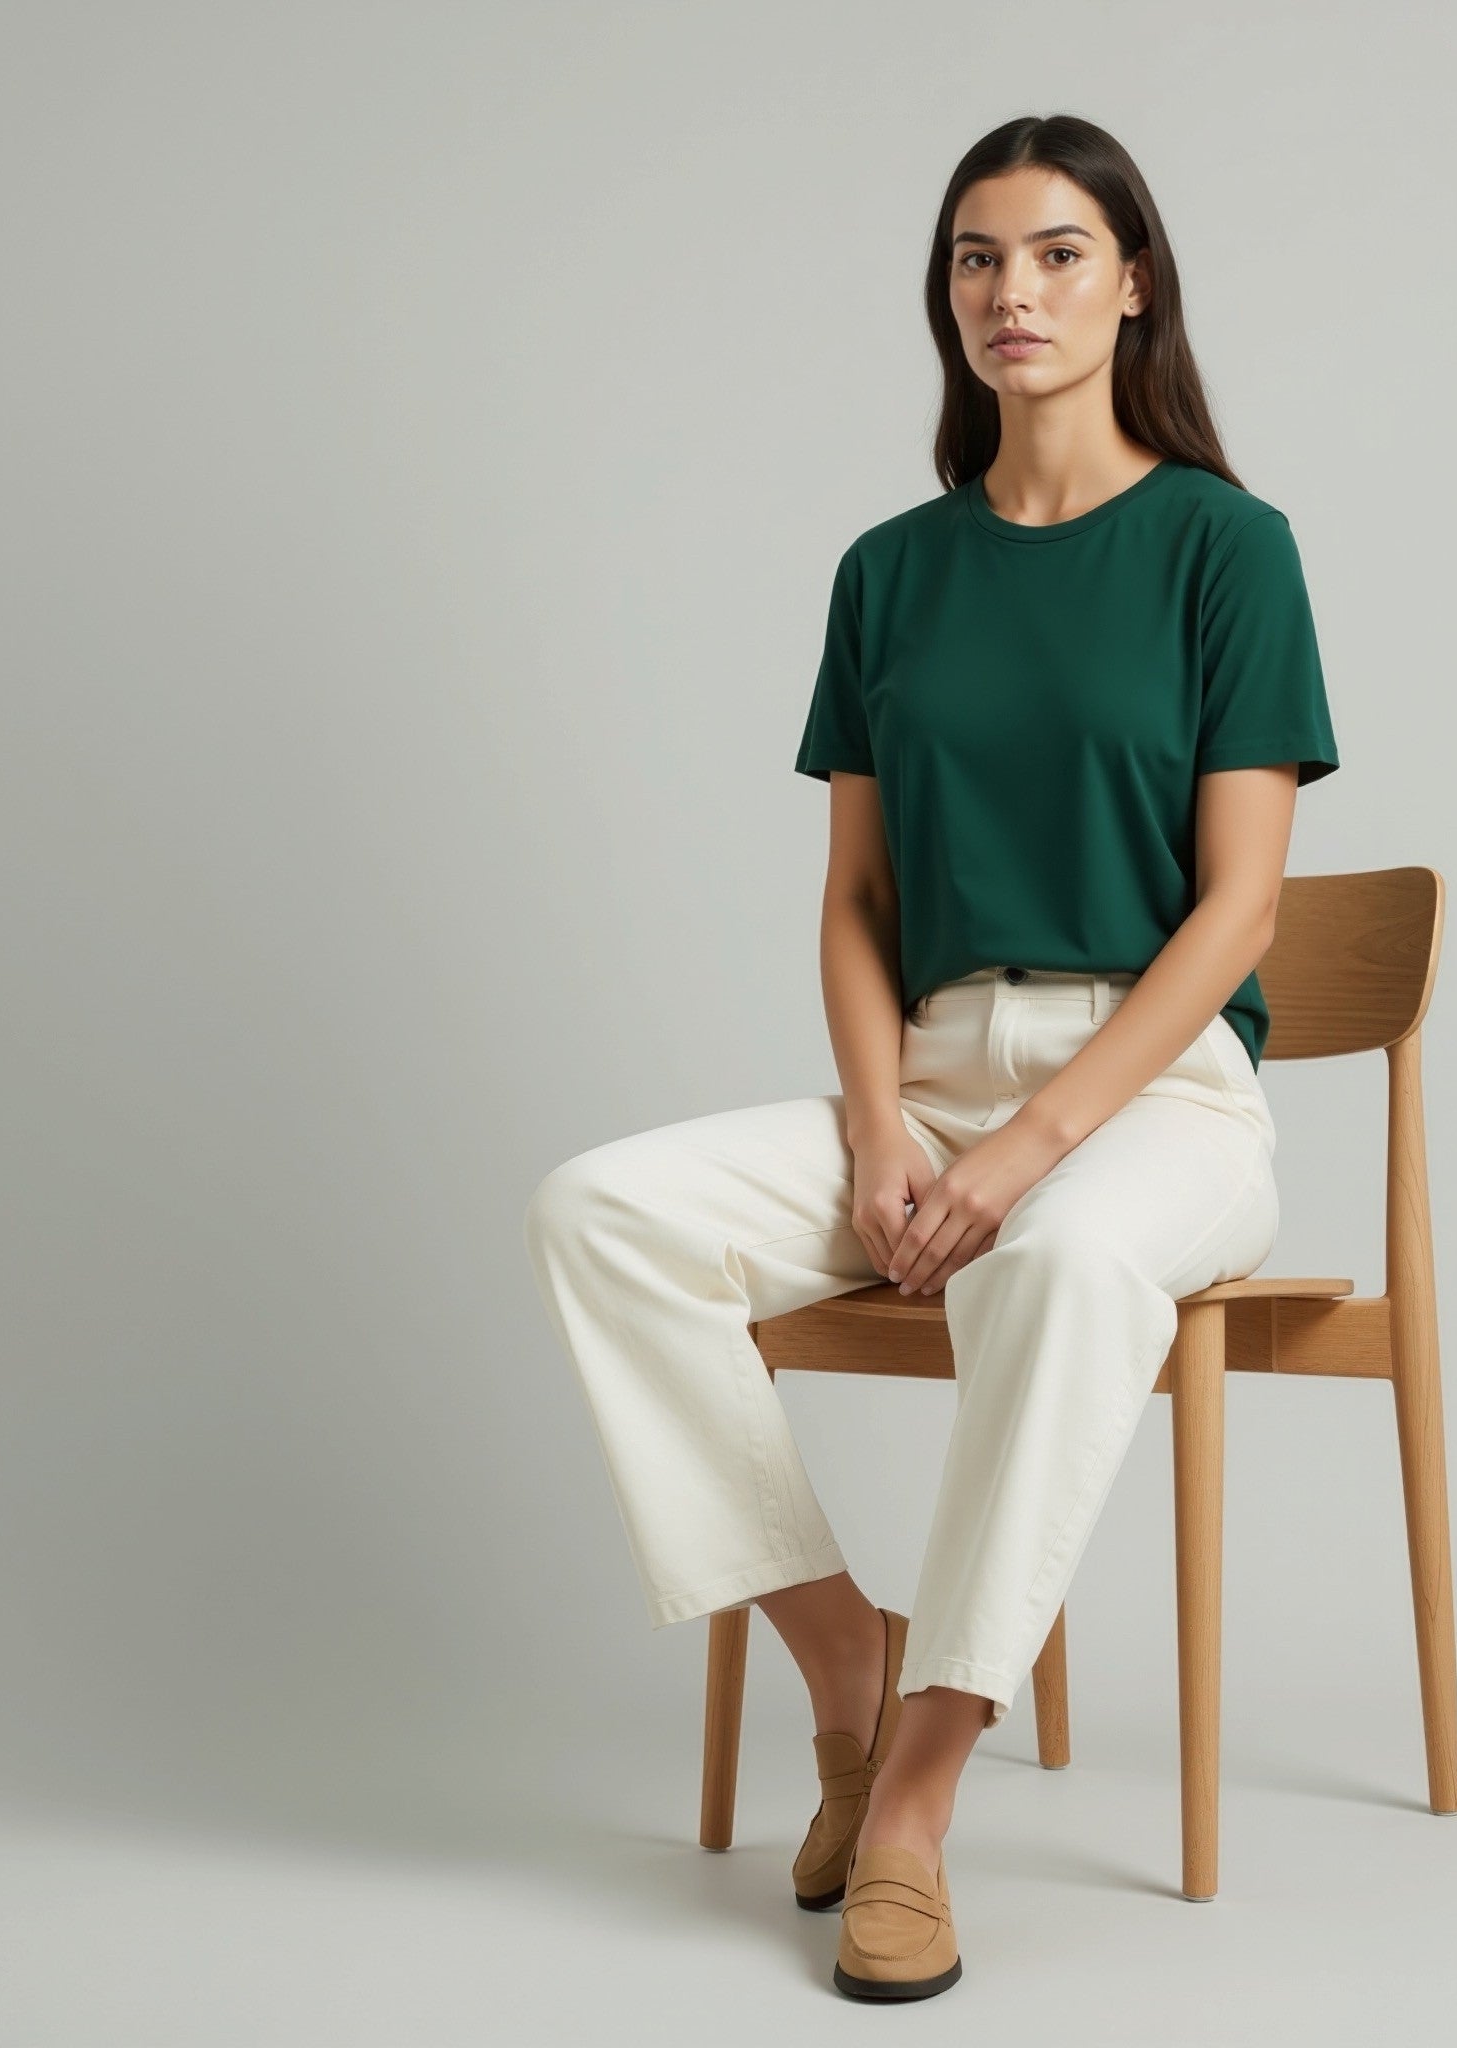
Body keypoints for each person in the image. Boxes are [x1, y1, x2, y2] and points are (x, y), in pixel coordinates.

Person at [522, 111, 1339, 2002]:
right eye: (978, 257)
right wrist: (890, 1129)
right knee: (601, 1212)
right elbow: (860, 905)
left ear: (1133, 280)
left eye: (1057, 252)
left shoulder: (1229, 548)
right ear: (945, 297)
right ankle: (843, 1656)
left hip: (1157, 1098)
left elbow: (1235, 917)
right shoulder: (891, 570)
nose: (1013, 292)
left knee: (1054, 1254)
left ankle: (915, 1792)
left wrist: (1025, 1149)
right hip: (936, 1078)